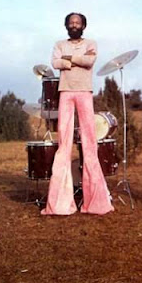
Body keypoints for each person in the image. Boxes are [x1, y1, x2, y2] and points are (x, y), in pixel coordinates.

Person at [41, 13, 114, 215]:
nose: (74, 25)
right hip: (65, 92)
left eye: (78, 22)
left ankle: (96, 203)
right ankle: (60, 204)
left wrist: (69, 59)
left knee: (89, 142)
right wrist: (75, 60)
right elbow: (55, 63)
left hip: (84, 92)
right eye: (71, 22)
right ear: (66, 25)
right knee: (64, 143)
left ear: (83, 25)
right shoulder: (59, 44)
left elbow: (89, 61)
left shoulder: (91, 43)